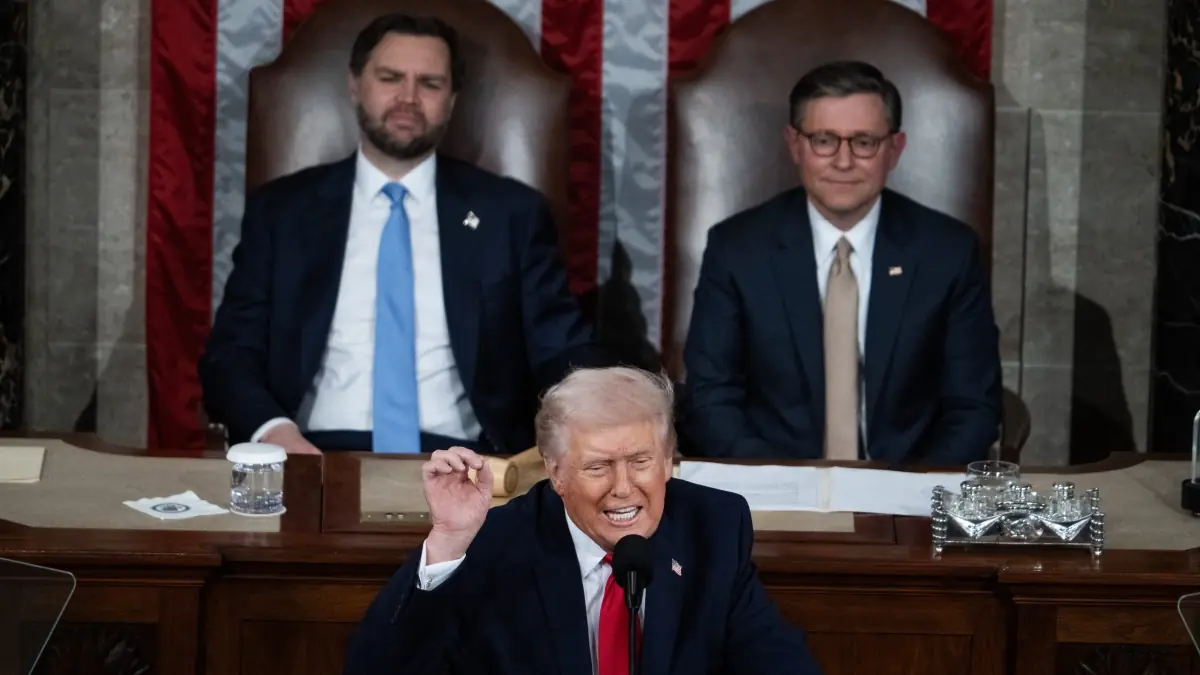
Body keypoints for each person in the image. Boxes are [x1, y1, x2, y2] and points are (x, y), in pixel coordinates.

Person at [199, 13, 609, 455]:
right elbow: (231, 354)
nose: (408, 98)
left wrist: (605, 409)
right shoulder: (283, 212)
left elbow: (563, 350)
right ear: (354, 85)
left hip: (466, 461)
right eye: (390, 78)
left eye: (429, 83)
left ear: (451, 100)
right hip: (311, 453)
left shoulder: (511, 215)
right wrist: (276, 434)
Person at [344, 366, 822, 675]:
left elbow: (776, 659)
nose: (623, 487)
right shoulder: (498, 541)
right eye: (598, 467)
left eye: (641, 461)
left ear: (668, 461)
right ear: (556, 472)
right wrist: (449, 542)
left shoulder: (713, 528)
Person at [680, 60, 1001, 465]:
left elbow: (972, 406)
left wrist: (913, 488)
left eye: (864, 142)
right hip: (773, 482)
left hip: (908, 486)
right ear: (795, 145)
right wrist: (781, 483)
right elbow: (711, 398)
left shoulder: (948, 252)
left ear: (894, 149)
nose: (844, 161)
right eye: (824, 140)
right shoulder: (736, 249)